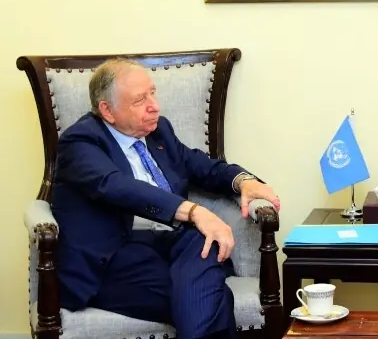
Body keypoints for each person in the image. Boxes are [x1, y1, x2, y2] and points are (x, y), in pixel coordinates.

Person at [51, 58, 281, 339]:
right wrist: (193, 211)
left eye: (153, 93)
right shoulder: (80, 142)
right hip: (114, 256)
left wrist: (243, 181)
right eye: (140, 100)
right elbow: (114, 185)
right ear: (107, 111)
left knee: (202, 242)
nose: (154, 106)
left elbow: (199, 164)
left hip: (170, 242)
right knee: (208, 296)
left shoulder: (159, 130)